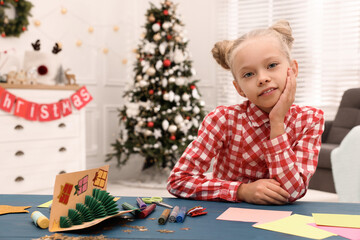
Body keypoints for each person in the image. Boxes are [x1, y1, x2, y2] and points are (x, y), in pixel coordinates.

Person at [166, 20, 324, 205]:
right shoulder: (223, 120)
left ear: (293, 70)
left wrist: (277, 122)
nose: (263, 78)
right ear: (239, 88)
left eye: (272, 65)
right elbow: (178, 180)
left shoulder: (310, 119)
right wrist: (241, 190)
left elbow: (292, 191)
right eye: (248, 74)